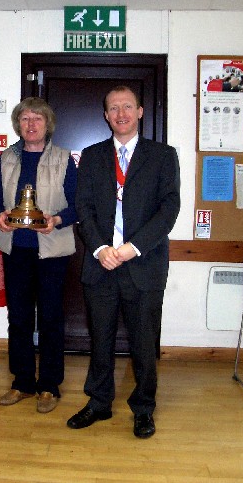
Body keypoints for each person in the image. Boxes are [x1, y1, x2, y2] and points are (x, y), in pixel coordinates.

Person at [66, 85, 180, 438]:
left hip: (142, 264)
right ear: (105, 115)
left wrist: (132, 248)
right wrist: (101, 249)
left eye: (127, 107)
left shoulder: (163, 156)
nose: (121, 114)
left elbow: (168, 209)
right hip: (101, 264)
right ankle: (99, 403)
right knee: (100, 340)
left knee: (144, 344)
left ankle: (143, 408)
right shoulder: (91, 155)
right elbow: (83, 207)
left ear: (141, 111)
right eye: (113, 108)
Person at [0, 97, 77, 414]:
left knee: (51, 318)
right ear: (18, 124)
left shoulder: (64, 158)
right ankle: (22, 382)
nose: (31, 124)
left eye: (37, 118)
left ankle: (49, 386)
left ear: (47, 123)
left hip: (53, 251)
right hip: (16, 250)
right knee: (19, 319)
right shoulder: (8, 159)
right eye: (25, 119)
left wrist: (56, 220)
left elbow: (77, 206)